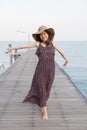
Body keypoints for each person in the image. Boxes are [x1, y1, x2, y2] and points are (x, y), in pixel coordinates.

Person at [6, 25, 69, 120]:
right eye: (41, 35)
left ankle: (42, 103)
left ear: (48, 34)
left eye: (44, 34)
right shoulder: (38, 44)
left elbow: (61, 52)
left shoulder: (53, 44)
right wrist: (12, 48)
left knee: (47, 90)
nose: (43, 36)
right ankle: (45, 111)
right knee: (42, 90)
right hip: (40, 71)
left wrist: (66, 60)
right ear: (39, 36)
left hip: (51, 72)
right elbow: (24, 46)